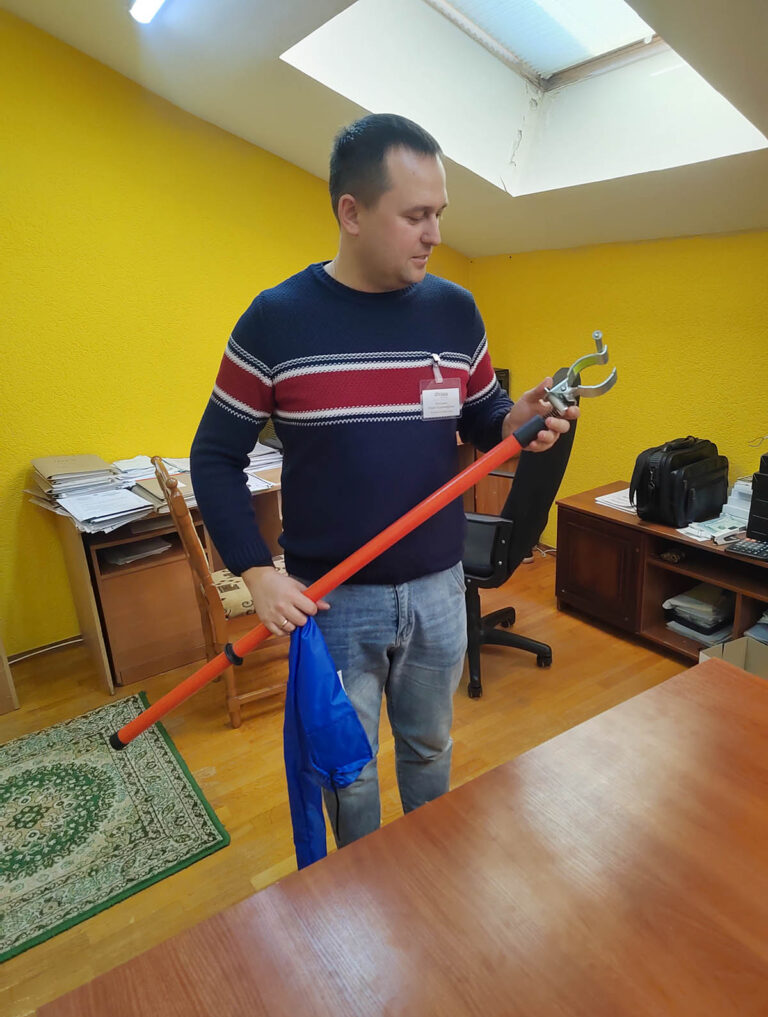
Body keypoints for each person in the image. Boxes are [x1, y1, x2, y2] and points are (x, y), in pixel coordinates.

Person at [190, 113, 578, 848]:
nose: (434, 234)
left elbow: (480, 415)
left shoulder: (454, 310)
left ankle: (425, 874)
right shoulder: (275, 321)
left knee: (430, 749)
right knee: (350, 774)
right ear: (352, 212)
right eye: (415, 216)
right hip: (333, 602)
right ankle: (362, 896)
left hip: (439, 588)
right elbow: (213, 457)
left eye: (440, 214)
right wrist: (256, 571)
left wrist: (514, 418)